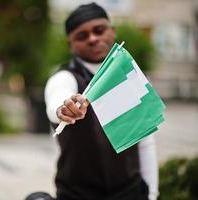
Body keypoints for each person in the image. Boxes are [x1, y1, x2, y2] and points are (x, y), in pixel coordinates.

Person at [42, 2, 159, 200]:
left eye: (99, 30)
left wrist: (152, 194)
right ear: (70, 44)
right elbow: (56, 100)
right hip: (77, 195)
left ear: (112, 32)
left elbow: (145, 142)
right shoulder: (65, 78)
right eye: (82, 35)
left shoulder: (129, 76)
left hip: (130, 193)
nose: (93, 38)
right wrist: (64, 108)